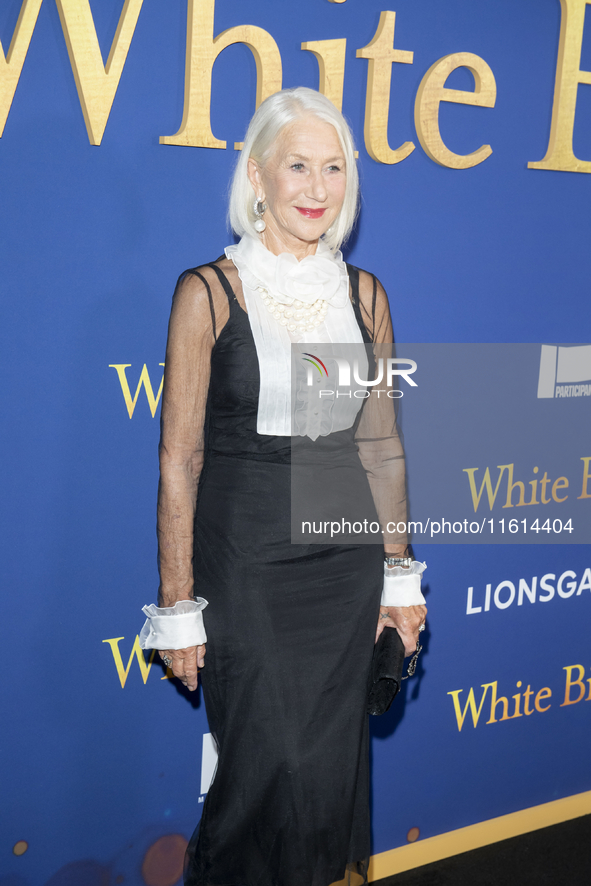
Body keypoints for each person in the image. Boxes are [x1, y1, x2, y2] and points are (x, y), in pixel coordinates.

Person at [139, 87, 427, 886]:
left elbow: (379, 444)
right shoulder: (209, 292)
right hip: (246, 566)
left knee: (323, 778)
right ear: (256, 176)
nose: (316, 186)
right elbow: (179, 458)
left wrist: (398, 577)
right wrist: (175, 604)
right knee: (267, 770)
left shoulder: (363, 296)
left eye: (332, 167)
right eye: (297, 165)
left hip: (344, 565)